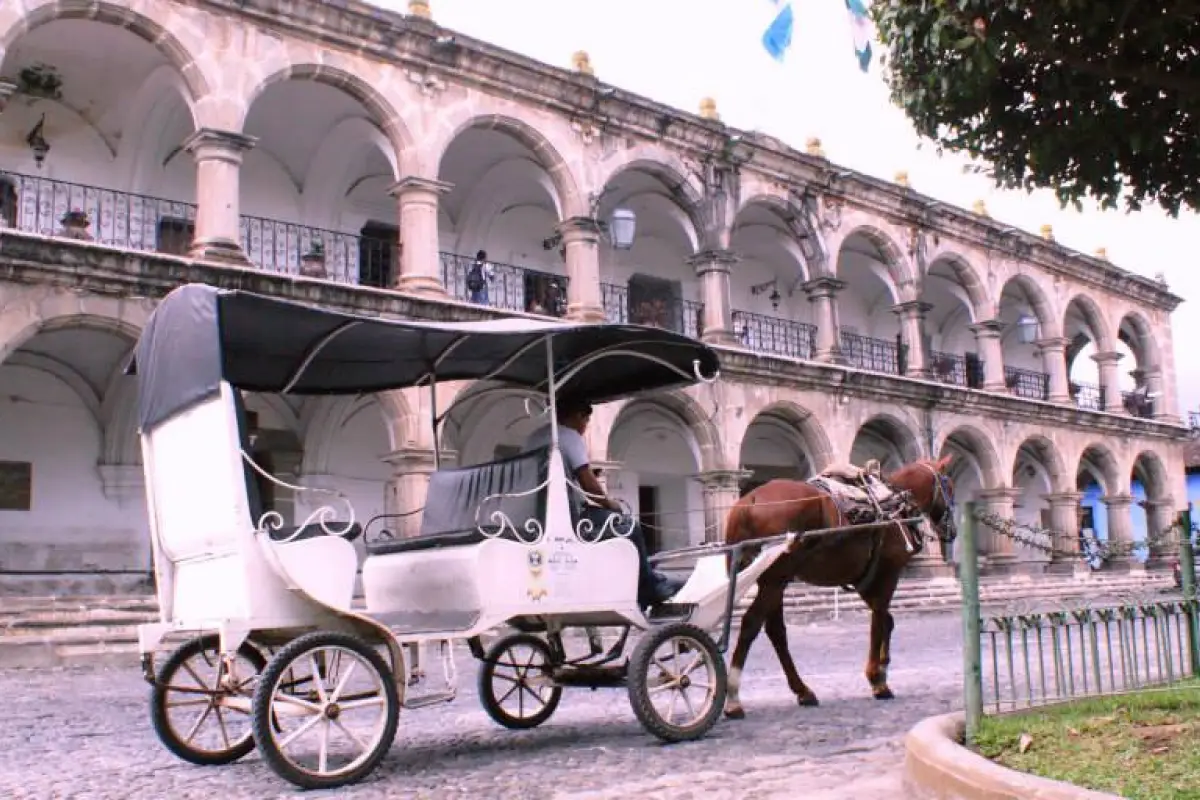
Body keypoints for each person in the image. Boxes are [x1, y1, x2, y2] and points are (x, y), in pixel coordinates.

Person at [523, 395, 685, 608]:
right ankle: (647, 587)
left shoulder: (533, 438)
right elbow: (588, 483)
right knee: (629, 527)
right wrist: (610, 504)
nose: (585, 427)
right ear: (577, 416)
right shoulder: (568, 436)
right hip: (568, 520)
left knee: (612, 523)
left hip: (536, 517)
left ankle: (639, 578)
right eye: (586, 421)